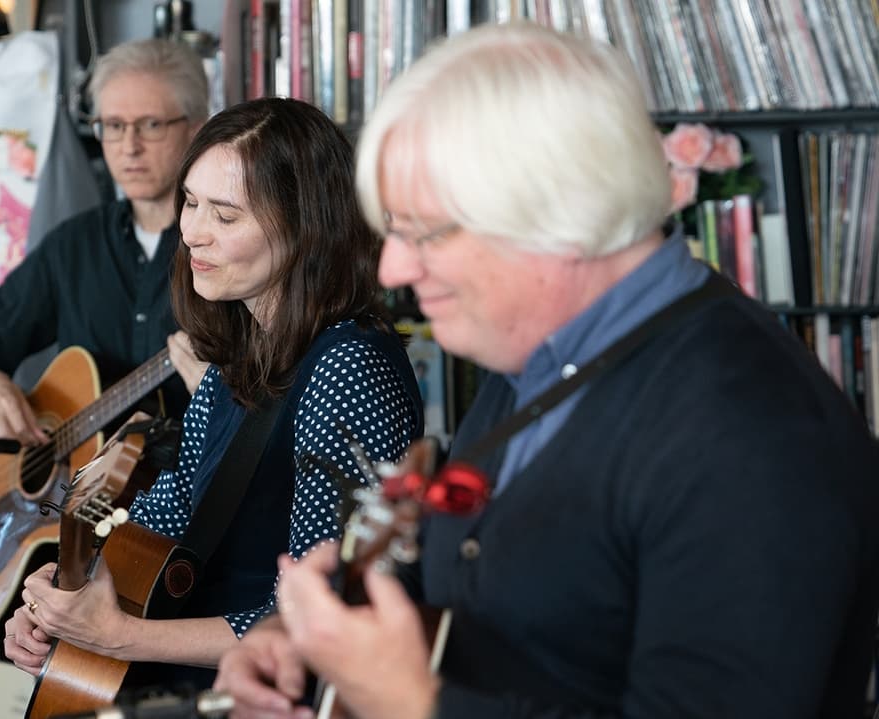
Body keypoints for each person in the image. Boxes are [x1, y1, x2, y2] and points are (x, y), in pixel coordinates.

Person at [214, 23, 879, 719]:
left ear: (560, 214)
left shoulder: (755, 438)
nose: (393, 271)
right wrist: (302, 639)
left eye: (426, 232)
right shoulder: (534, 350)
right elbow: (479, 575)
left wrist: (415, 702)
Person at [2, 97, 425, 690]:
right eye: (192, 203)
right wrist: (63, 597)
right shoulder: (236, 354)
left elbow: (333, 607)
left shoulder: (350, 366)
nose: (193, 233)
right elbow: (173, 508)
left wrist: (122, 636)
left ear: (307, 228)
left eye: (226, 216)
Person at [0, 38, 212, 442]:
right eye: (113, 126)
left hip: (192, 497)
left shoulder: (230, 252)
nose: (129, 147)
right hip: (70, 499)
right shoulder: (72, 246)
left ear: (196, 129)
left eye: (150, 125)